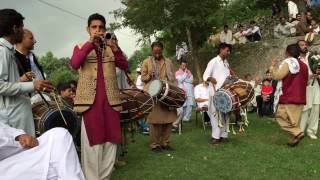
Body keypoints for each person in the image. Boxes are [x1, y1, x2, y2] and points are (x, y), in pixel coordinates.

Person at [70, 13, 128, 180]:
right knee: (92, 147)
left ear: (105, 29)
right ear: (88, 29)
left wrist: (115, 48)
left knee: (110, 145)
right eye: (94, 27)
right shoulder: (81, 46)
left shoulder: (111, 48)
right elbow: (74, 64)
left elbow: (124, 65)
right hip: (90, 104)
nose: (98, 30)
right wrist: (90, 43)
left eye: (101, 27)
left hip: (111, 103)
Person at [0, 9, 54, 136]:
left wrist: (23, 82)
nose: (23, 31)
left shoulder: (7, 51)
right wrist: (32, 85)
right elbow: (1, 86)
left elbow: (8, 84)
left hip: (17, 115)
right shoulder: (2, 52)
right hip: (14, 118)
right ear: (15, 28)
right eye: (21, 27)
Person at [0, 121, 85, 180]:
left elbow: (3, 128)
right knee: (58, 167)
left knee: (59, 134)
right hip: (7, 168)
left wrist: (19, 135)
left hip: (24, 152)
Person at [141, 41, 177, 152]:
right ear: (152, 51)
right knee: (155, 121)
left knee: (168, 120)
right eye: (155, 51)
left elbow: (173, 78)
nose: (157, 53)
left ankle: (165, 143)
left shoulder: (168, 62)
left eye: (159, 51)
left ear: (162, 50)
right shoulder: (147, 62)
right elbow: (143, 77)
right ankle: (154, 144)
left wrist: (174, 90)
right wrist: (149, 76)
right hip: (154, 94)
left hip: (167, 94)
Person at [270, 44, 308, 147]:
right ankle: (294, 139)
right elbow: (307, 82)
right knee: (294, 121)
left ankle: (298, 133)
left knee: (280, 117)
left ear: (288, 52)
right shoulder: (304, 65)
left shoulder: (288, 62)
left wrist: (273, 66)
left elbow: (278, 76)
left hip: (289, 96)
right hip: (301, 96)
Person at [203, 43, 233, 144]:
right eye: (227, 50)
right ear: (221, 50)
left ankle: (224, 135)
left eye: (229, 51)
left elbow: (227, 76)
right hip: (215, 93)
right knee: (215, 115)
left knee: (226, 114)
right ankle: (216, 136)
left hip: (225, 92)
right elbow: (205, 75)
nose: (229, 53)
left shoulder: (226, 63)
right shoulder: (213, 61)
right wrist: (211, 78)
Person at [297, 40, 320, 139]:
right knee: (305, 109)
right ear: (298, 47)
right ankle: (301, 130)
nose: (304, 46)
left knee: (316, 108)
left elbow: (316, 68)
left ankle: (311, 131)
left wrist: (318, 72)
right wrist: (306, 79)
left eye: (305, 44)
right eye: (302, 45)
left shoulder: (313, 56)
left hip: (315, 85)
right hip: (304, 87)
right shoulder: (295, 60)